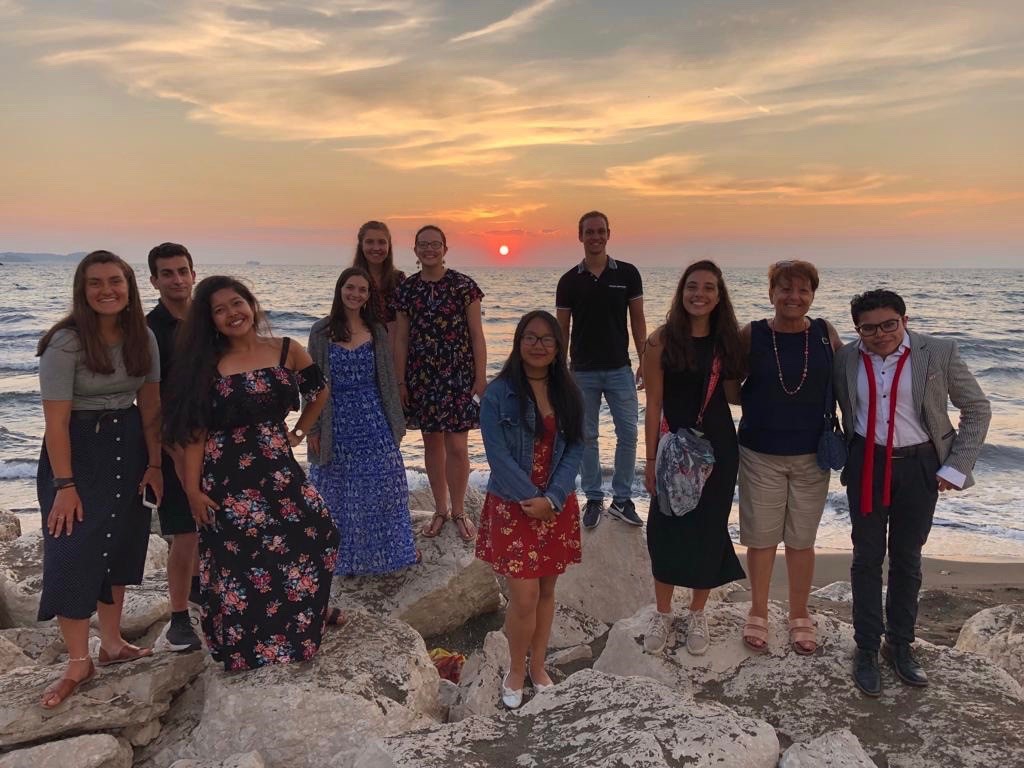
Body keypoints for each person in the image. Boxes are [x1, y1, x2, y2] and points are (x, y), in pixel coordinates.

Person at [164, 276, 340, 671]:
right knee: (240, 562)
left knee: (321, 532)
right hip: (228, 477)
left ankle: (298, 628)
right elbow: (194, 435)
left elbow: (319, 391)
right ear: (209, 321)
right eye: (219, 310)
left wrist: (299, 430)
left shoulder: (286, 350)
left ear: (251, 304)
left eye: (236, 303)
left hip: (278, 470)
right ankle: (249, 648)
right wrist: (191, 490)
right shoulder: (206, 366)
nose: (232, 313)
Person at [835, 289, 990, 697]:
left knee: (907, 558)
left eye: (889, 324)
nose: (881, 334)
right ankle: (866, 647)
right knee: (866, 557)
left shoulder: (937, 352)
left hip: (921, 465)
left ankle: (899, 645)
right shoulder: (846, 358)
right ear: (858, 330)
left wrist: (956, 466)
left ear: (905, 320)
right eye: (869, 328)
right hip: (867, 463)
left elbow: (977, 408)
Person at [35, 250, 162, 708]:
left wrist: (154, 465)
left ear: (129, 287)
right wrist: (64, 486)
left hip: (127, 446)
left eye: (115, 281)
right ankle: (76, 661)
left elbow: (150, 409)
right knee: (71, 548)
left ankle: (111, 644)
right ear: (82, 290)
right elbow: (55, 424)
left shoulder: (141, 336)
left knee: (119, 543)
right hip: (76, 450)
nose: (106, 290)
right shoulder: (65, 343)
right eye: (95, 282)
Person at [476, 310, 584, 709]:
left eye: (546, 339)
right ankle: (515, 670)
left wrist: (552, 499)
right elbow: (497, 454)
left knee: (547, 591)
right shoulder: (498, 393)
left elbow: (576, 448)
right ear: (519, 342)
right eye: (530, 337)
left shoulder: (569, 393)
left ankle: (538, 666)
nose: (538, 345)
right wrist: (530, 501)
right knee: (522, 598)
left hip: (555, 505)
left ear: (558, 348)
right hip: (512, 505)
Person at [734, 260, 842, 654]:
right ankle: (758, 611)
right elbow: (730, 385)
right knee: (760, 539)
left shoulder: (826, 333)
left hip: (813, 454)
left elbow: (846, 386)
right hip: (760, 452)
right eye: (785, 289)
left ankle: (799, 613)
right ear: (771, 293)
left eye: (802, 290)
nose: (794, 297)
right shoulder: (753, 334)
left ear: (812, 295)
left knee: (801, 539)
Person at [641, 261, 746, 656]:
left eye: (708, 288)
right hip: (672, 449)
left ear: (719, 297)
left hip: (718, 448)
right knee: (665, 528)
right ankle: (663, 613)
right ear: (681, 292)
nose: (699, 294)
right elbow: (653, 404)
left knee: (709, 528)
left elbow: (735, 396)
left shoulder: (727, 343)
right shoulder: (661, 341)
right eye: (692, 287)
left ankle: (698, 613)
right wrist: (649, 459)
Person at [307, 267, 417, 575]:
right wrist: (312, 427)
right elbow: (311, 383)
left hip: (372, 415)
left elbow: (387, 380)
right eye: (350, 288)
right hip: (334, 418)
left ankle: (392, 553)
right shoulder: (320, 331)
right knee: (337, 490)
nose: (355, 294)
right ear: (340, 289)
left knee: (386, 483)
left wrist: (396, 423)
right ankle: (342, 560)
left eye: (362, 290)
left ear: (369, 296)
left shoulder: (377, 331)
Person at [394, 225, 486, 542]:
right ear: (415, 249)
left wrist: (480, 376)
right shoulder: (407, 290)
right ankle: (440, 510)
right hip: (422, 376)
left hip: (458, 374)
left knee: (457, 445)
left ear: (445, 248)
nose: (429, 249)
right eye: (423, 244)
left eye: (435, 244)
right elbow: (402, 339)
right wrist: (401, 380)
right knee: (432, 443)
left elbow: (477, 335)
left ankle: (459, 511)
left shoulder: (464, 286)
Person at [556, 211, 646, 529]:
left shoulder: (628, 274)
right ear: (580, 236)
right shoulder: (569, 281)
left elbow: (637, 320)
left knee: (629, 435)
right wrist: (559, 369)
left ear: (609, 234)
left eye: (600, 231)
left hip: (620, 368)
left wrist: (644, 359)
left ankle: (622, 500)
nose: (595, 237)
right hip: (582, 372)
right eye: (589, 232)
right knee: (585, 436)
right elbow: (561, 330)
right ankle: (593, 498)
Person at [146, 242, 203, 652]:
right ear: (154, 280)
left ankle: (211, 598)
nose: (177, 279)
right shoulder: (148, 330)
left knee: (219, 527)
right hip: (176, 442)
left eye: (182, 271)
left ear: (193, 274)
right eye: (167, 273)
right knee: (185, 533)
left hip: (219, 438)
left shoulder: (210, 320)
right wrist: (166, 452)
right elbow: (148, 399)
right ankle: (180, 617)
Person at [351, 220, 406, 341]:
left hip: (392, 346)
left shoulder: (399, 279)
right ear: (361, 245)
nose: (376, 248)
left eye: (382, 242)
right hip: (361, 347)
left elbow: (404, 323)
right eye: (370, 242)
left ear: (389, 246)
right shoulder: (351, 279)